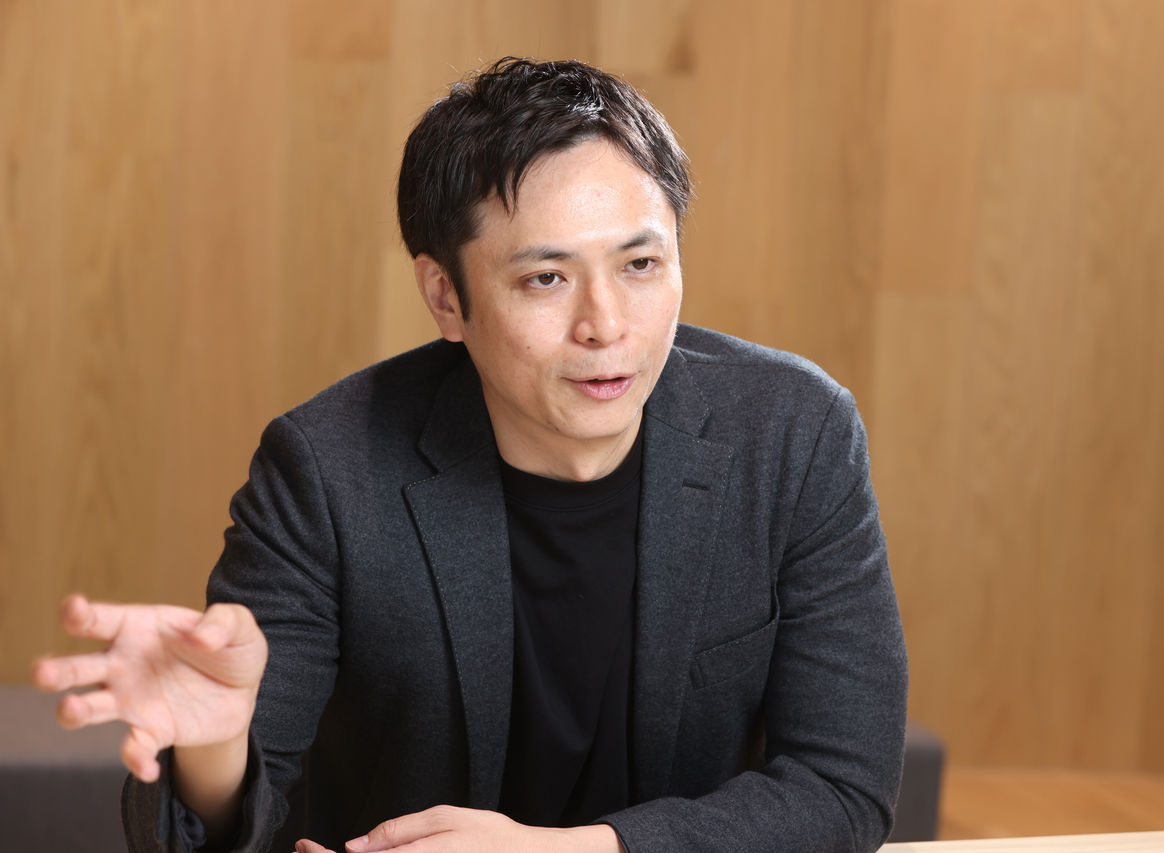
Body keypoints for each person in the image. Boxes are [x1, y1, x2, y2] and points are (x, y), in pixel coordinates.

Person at [32, 57, 907, 853]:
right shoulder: (327, 470)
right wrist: (216, 747)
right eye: (546, 278)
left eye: (640, 264)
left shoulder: (794, 434)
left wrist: (569, 852)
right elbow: (193, 837)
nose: (607, 325)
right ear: (446, 296)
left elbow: (843, 786)